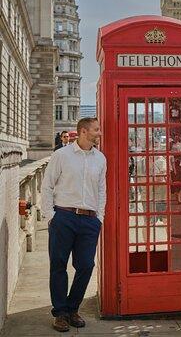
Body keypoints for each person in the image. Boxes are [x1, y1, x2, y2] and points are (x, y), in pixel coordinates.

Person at [41, 118, 106, 332]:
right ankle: (60, 312)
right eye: (96, 129)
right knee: (59, 265)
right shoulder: (61, 155)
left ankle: (72, 307)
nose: (99, 132)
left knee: (86, 265)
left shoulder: (100, 159)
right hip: (64, 216)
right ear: (84, 131)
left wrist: (100, 218)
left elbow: (101, 190)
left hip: (89, 220)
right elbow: (47, 185)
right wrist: (51, 216)